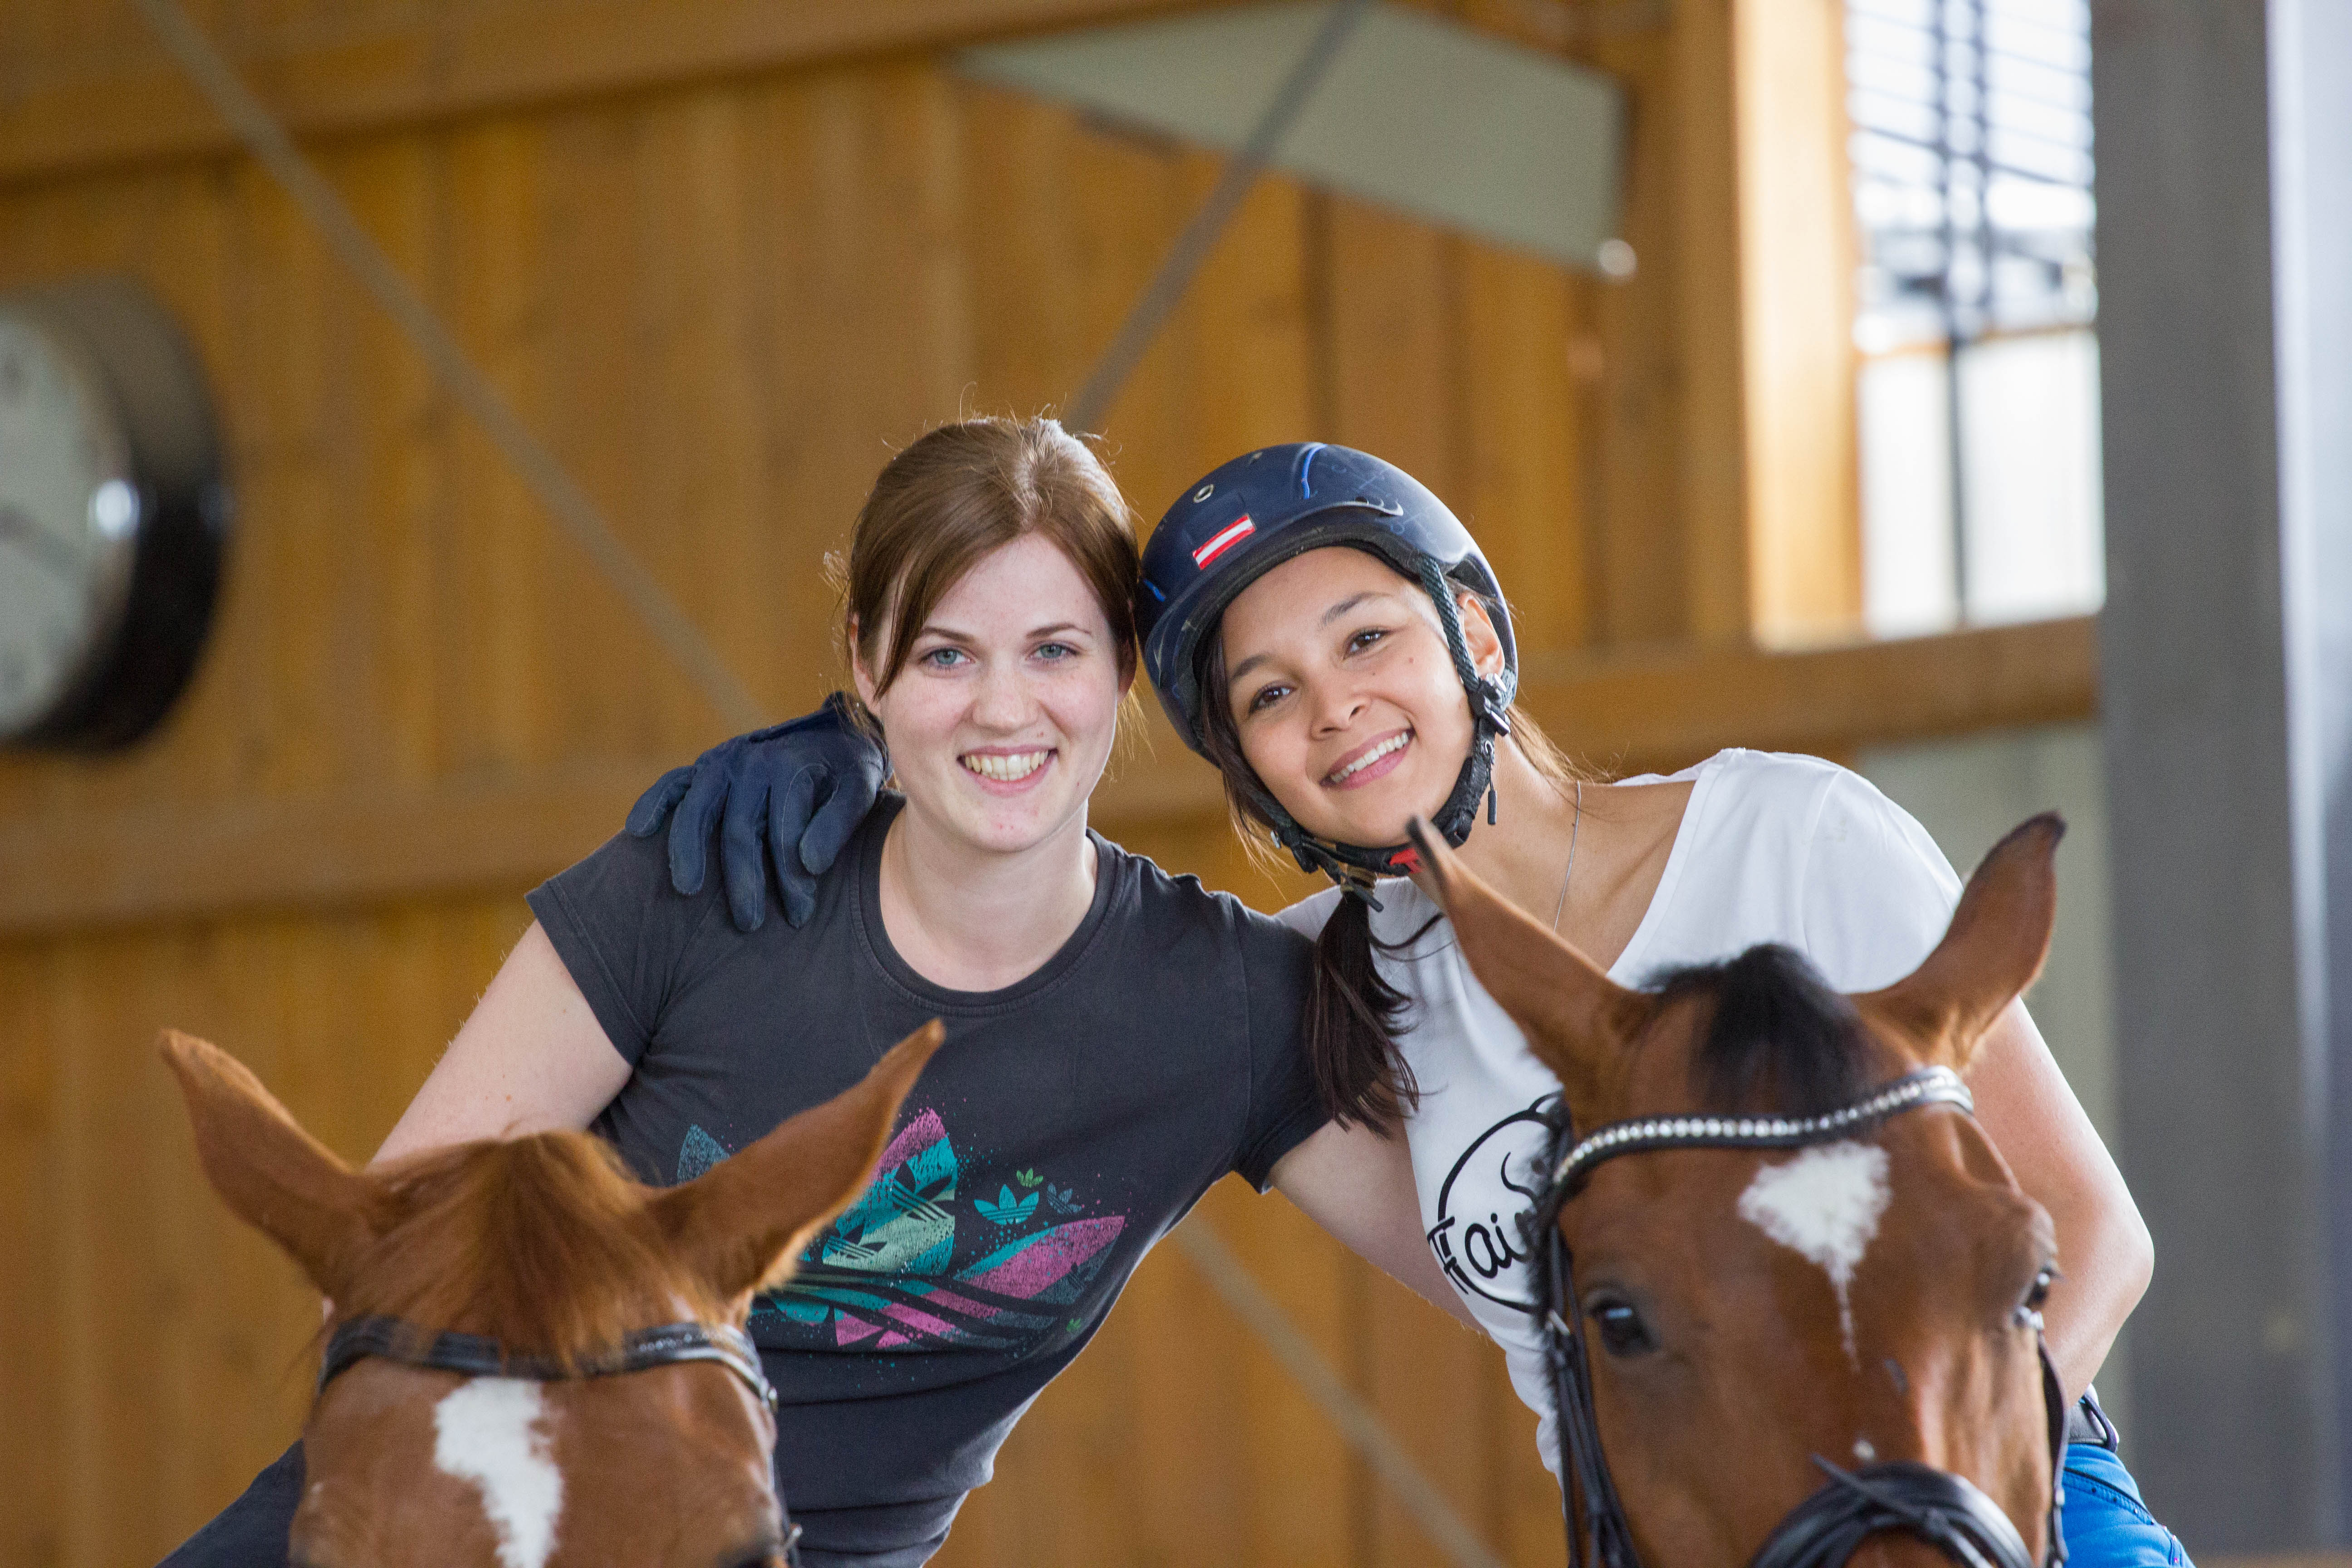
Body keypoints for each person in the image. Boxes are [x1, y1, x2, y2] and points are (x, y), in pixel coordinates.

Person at [662, 441, 2192, 1565]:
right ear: (1251, 767)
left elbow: (2093, 1233)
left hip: (2009, 1512)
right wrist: (870, 760)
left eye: (1365, 637)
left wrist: (1925, 1504)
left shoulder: (1790, 836)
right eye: (1265, 695)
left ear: (1470, 629)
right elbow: (1036, 968)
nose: (1329, 706)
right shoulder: (1315, 983)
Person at [160, 419, 1452, 1568]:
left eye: (1054, 649)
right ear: (866, 665)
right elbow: (381, 1275)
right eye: (945, 655)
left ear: (1120, 666)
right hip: (482, 1521)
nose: (1004, 707)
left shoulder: (1225, 1009)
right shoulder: (705, 885)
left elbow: (1505, 1266)